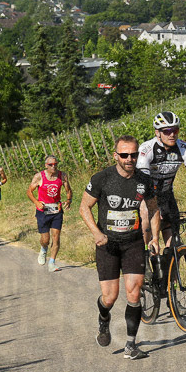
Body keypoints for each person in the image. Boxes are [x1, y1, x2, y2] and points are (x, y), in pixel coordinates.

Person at [79, 136, 161, 360]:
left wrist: (154, 237)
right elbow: (84, 207)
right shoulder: (102, 178)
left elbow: (153, 209)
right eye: (124, 155)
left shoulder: (144, 181)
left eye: (133, 154)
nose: (129, 159)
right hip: (108, 244)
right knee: (110, 297)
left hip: (134, 242)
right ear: (115, 155)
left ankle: (131, 345)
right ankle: (103, 319)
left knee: (134, 293)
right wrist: (96, 233)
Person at [137, 111, 186, 288]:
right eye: (167, 130)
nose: (172, 134)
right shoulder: (146, 149)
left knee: (173, 242)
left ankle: (168, 282)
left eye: (175, 130)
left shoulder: (185, 149)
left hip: (167, 195)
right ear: (157, 132)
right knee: (146, 216)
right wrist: (155, 210)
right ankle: (145, 255)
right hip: (146, 194)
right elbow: (144, 184)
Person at [28, 155, 73, 272]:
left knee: (56, 237)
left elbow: (69, 190)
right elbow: (29, 192)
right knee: (46, 239)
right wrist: (36, 202)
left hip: (56, 210)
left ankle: (52, 263)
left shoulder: (62, 176)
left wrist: (69, 200)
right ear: (45, 165)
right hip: (43, 211)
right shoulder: (39, 177)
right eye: (50, 165)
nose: (54, 167)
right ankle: (43, 249)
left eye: (55, 164)